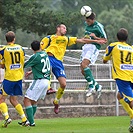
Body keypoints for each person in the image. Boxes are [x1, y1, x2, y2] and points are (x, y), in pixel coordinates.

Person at [40, 23, 106, 114]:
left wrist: (96, 41)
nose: (65, 30)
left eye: (66, 28)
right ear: (58, 28)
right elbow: (39, 48)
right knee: (48, 69)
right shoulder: (49, 38)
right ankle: (48, 88)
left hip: (59, 62)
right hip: (49, 57)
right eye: (64, 27)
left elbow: (82, 40)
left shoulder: (66, 39)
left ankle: (56, 101)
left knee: (63, 84)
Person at [103, 28, 133, 132]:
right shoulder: (130, 48)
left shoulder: (113, 46)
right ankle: (132, 116)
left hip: (122, 77)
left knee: (131, 101)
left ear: (117, 37)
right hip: (131, 75)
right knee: (120, 95)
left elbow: (104, 60)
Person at [0, 31, 29, 127]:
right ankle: (24, 119)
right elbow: (22, 61)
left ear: (6, 39)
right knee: (13, 100)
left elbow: (2, 65)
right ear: (14, 39)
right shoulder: (21, 48)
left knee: (1, 99)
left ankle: (7, 117)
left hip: (9, 78)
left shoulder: (3, 50)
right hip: (19, 77)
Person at [21, 40, 50, 126]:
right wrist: (31, 71)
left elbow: (24, 65)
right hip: (46, 80)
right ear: (40, 47)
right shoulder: (45, 53)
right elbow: (41, 66)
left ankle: (31, 122)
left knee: (26, 100)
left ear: (32, 49)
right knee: (33, 101)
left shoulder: (35, 56)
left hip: (39, 80)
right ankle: (30, 120)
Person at [80, 12, 107, 98]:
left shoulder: (98, 26)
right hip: (86, 46)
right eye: (86, 21)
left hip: (93, 47)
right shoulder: (86, 24)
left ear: (92, 20)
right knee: (82, 70)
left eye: (88, 21)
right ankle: (97, 86)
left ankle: (91, 86)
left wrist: (95, 37)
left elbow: (104, 40)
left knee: (84, 64)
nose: (87, 23)